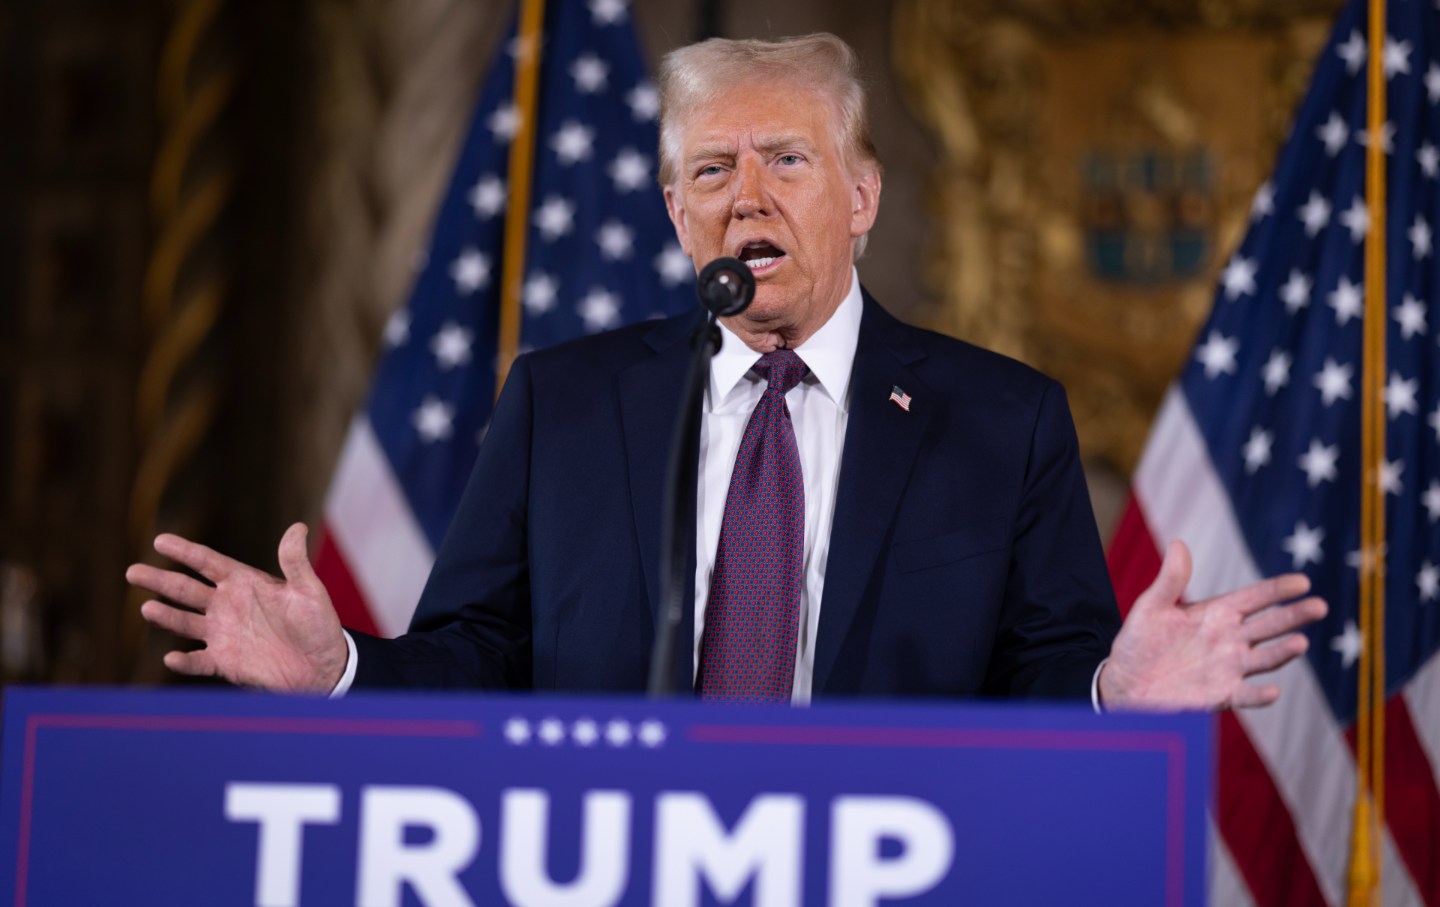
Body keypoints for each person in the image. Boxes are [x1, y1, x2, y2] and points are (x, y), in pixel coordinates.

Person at [127, 33, 1325, 710]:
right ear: (672, 209)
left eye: (786, 159)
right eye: (709, 171)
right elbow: (474, 657)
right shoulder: (564, 402)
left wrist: (1120, 688)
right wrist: (339, 668)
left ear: (861, 197)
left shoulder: (1002, 419)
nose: (744, 195)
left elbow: (1043, 679)